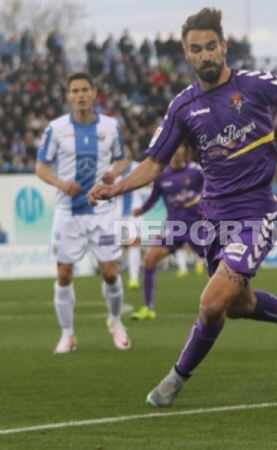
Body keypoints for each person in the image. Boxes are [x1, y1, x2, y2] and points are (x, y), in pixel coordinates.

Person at [87, 7, 277, 407]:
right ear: (186, 54)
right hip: (213, 219)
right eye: (196, 49)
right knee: (239, 305)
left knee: (212, 302)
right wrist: (116, 188)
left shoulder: (254, 84)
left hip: (256, 214)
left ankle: (175, 380)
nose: (205, 55)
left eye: (211, 46)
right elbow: (153, 164)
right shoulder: (183, 107)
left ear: (224, 46)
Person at [36, 72, 132, 354]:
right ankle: (67, 335)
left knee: (110, 272)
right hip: (68, 213)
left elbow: (123, 158)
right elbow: (41, 167)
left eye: (84, 90)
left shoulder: (110, 126)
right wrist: (61, 184)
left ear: (93, 93)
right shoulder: (55, 128)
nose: (80, 95)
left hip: (102, 211)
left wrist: (113, 173)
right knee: (64, 274)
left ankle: (115, 321)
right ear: (68, 96)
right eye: (75, 91)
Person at [129, 144, 206, 321]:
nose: (176, 155)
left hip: (198, 225)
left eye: (180, 151)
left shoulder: (196, 172)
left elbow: (211, 189)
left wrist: (200, 201)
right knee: (149, 259)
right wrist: (141, 210)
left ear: (185, 152)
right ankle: (148, 308)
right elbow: (153, 198)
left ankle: (233, 299)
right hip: (174, 226)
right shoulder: (162, 176)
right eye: (173, 152)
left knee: (218, 264)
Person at [114, 147, 143, 290]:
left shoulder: (138, 167)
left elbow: (149, 179)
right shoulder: (112, 170)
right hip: (118, 214)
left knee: (134, 242)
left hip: (134, 212)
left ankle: (134, 279)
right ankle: (127, 271)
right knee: (124, 245)